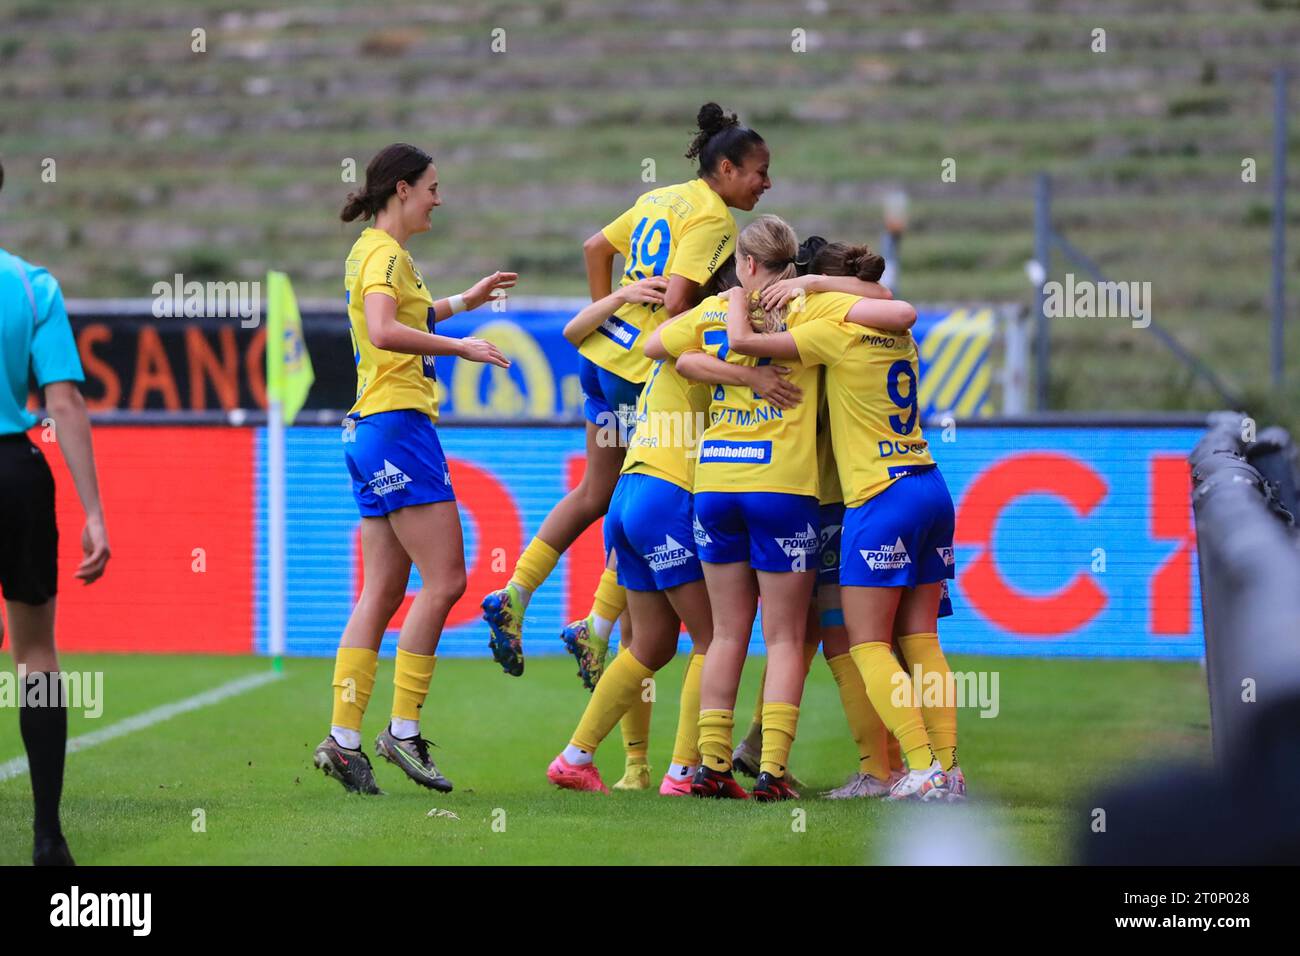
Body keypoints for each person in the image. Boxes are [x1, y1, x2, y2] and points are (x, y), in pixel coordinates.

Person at [481, 102, 772, 689]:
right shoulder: (716, 220)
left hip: (601, 356)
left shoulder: (661, 197)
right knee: (650, 490)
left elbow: (596, 248)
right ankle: (596, 622)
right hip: (647, 373)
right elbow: (676, 303)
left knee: (597, 492)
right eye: (759, 171)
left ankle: (516, 591)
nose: (767, 183)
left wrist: (614, 317)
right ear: (726, 169)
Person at [647, 215, 917, 801]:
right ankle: (771, 772)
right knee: (789, 637)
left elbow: (655, 348)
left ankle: (711, 766)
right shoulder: (810, 313)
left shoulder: (717, 310)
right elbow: (889, 303)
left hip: (716, 482)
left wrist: (727, 370)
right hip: (785, 490)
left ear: (744, 262)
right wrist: (810, 298)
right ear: (793, 265)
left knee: (724, 634)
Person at [545, 264, 801, 796]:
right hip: (668, 495)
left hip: (628, 494)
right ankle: (685, 771)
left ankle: (576, 757)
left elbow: (644, 345)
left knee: (650, 645)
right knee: (714, 636)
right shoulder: (728, 335)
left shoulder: (677, 335)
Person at [722, 241, 963, 802]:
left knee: (867, 644)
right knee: (923, 640)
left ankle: (920, 766)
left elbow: (747, 343)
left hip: (879, 496)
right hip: (928, 482)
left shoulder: (828, 322)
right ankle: (949, 772)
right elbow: (894, 305)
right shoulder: (892, 327)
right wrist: (818, 285)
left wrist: (747, 293)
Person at [313, 143, 516, 795]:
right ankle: (401, 731)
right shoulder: (384, 253)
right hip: (398, 426)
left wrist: (467, 300)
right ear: (401, 189)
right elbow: (382, 329)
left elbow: (406, 316)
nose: (438, 196)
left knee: (381, 591)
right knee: (447, 578)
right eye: (432, 186)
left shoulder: (376, 254)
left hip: (368, 429)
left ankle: (343, 740)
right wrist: (461, 347)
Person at [1, 157, 112, 864]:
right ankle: (48, 836)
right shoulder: (32, 284)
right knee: (35, 652)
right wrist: (95, 511)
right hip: (15, 470)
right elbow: (63, 402)